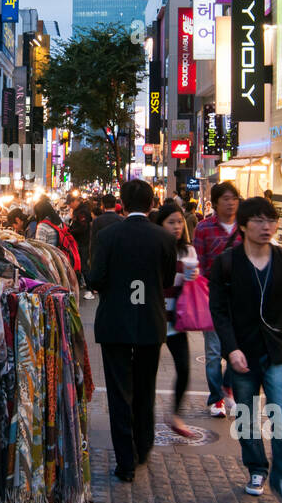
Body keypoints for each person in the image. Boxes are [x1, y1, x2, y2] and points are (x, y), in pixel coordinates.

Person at [207, 196, 282, 503]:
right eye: (259, 221)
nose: (267, 227)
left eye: (271, 221)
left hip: (277, 350)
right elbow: (219, 312)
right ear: (244, 225)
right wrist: (231, 348)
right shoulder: (226, 263)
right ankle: (256, 468)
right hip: (243, 352)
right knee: (247, 416)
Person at [90, 179, 177, 482]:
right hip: (150, 321)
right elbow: (167, 279)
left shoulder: (107, 235)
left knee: (118, 391)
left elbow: (95, 278)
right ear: (152, 204)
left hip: (115, 321)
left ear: (122, 205)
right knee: (145, 387)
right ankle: (143, 446)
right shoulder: (164, 238)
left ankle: (125, 462)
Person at [193, 181, 242, 416]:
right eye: (226, 198)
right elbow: (199, 264)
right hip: (212, 297)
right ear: (215, 203)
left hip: (241, 299)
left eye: (234, 198)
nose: (231, 202)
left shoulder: (245, 228)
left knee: (240, 346)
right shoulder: (203, 228)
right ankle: (216, 399)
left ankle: (227, 386)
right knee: (213, 352)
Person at [153, 202, 198, 438]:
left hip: (177, 321)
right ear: (160, 224)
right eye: (171, 222)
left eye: (179, 222)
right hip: (154, 318)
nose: (177, 226)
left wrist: (194, 278)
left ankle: (175, 415)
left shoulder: (188, 251)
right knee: (145, 371)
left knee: (184, 369)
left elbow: (191, 283)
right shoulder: (152, 248)